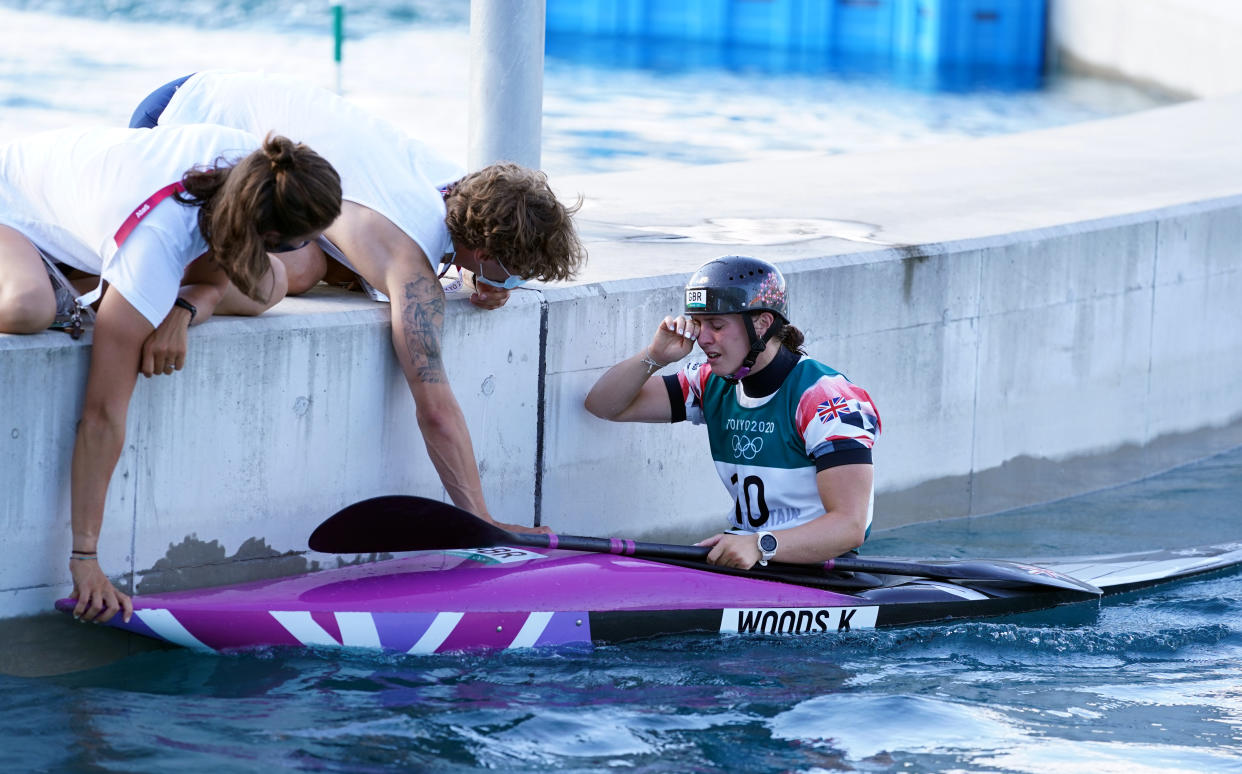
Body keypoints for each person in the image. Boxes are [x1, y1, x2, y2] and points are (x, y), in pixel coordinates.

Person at [133, 70, 586, 533]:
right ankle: (185, 295)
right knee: (265, 284)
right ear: (486, 252)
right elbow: (435, 409)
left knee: (306, 266)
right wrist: (483, 521)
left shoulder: (453, 186)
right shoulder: (412, 276)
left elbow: (420, 231)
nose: (515, 284)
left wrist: (481, 275)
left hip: (219, 97)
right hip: (175, 125)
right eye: (517, 274)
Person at [0, 124, 343, 622]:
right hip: (13, 206)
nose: (310, 245)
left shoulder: (258, 169)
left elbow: (223, 260)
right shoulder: (155, 243)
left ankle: (84, 280)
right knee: (25, 308)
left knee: (271, 285)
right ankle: (63, 284)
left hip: (93, 206)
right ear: (267, 233)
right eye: (304, 238)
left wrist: (183, 308)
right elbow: (101, 415)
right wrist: (85, 557)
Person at [584, 256, 881, 570]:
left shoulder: (826, 398)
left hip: (817, 569)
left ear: (762, 323)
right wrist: (655, 357)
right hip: (747, 553)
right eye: (698, 324)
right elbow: (604, 405)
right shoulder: (710, 382)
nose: (703, 338)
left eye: (717, 325)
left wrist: (760, 544)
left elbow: (850, 528)